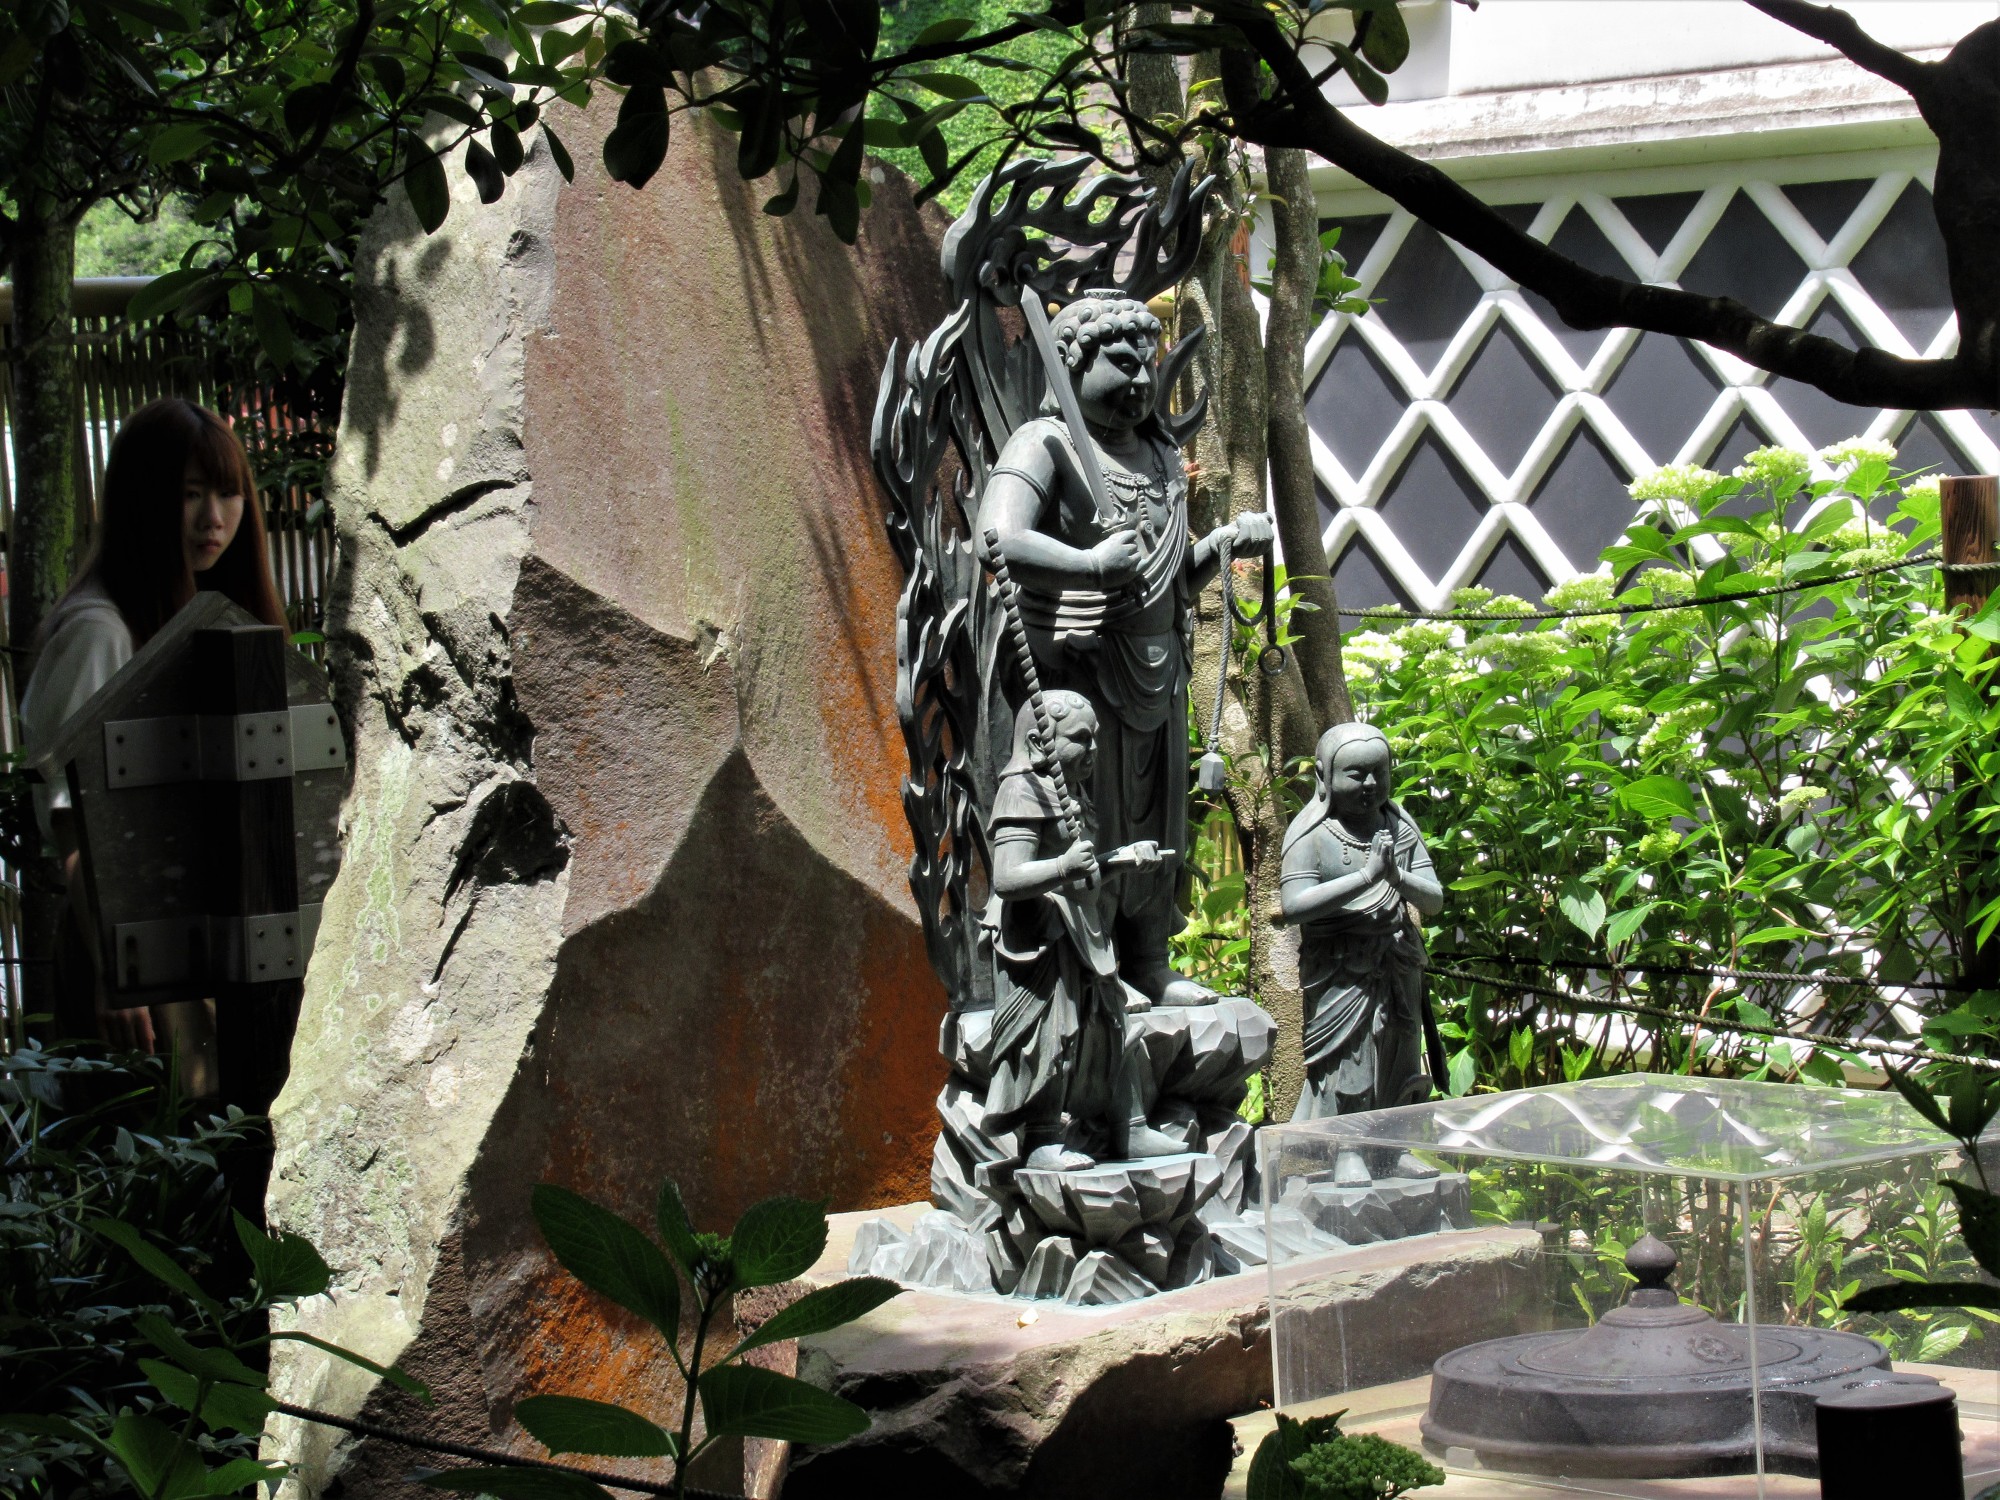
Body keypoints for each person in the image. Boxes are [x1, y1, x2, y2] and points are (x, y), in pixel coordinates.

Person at [981, 289, 1274, 1009]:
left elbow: (1166, 578)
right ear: (1073, 366)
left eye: (1147, 362)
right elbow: (997, 538)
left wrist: (1221, 546)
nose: (1142, 379)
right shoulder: (1044, 443)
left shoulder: (1159, 453)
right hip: (1080, 666)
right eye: (1122, 362)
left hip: (1159, 670)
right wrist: (1087, 565)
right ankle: (1093, 964)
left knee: (1157, 817)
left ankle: (1150, 960)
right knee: (1096, 815)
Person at [19, 397, 288, 1057]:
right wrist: (118, 969)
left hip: (209, 937)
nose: (214, 517)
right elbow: (76, 823)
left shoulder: (201, 617)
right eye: (190, 494)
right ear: (143, 499)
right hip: (129, 950)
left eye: (228, 493)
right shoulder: (100, 632)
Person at [981, 691, 1188, 1169]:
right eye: (1080, 739)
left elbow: (1084, 872)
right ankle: (1040, 1139)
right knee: (1051, 1039)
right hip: (1042, 943)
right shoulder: (1022, 790)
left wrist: (1119, 861)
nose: (1094, 749)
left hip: (1084, 937)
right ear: (1039, 744)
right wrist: (1063, 865)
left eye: (1095, 738)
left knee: (1111, 1026)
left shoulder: (1072, 791)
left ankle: (1131, 1127)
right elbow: (1008, 878)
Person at [1278, 722, 1445, 1122]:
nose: (1370, 784)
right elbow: (1293, 906)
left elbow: (1435, 900)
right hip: (1340, 971)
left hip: (1397, 963)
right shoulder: (1312, 833)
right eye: (1356, 775)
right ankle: (1345, 1146)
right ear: (1324, 776)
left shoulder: (1399, 825)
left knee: (1400, 1057)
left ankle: (1394, 1142)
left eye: (1379, 773)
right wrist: (1366, 877)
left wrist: (1397, 877)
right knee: (1348, 1067)